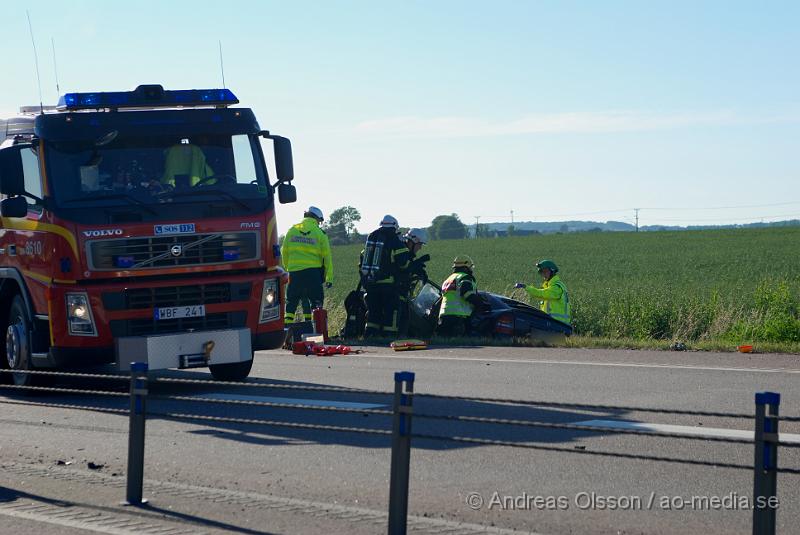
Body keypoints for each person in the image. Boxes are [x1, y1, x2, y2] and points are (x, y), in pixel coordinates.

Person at [281, 206, 333, 323]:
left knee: (291, 303)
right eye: (320, 221)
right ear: (316, 219)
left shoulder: (292, 230)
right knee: (316, 303)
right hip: (313, 274)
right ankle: (316, 330)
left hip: (295, 273)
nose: (320, 224)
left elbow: (284, 252)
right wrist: (329, 277)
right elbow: (327, 258)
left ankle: (288, 332)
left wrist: (289, 268)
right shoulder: (320, 233)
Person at [360, 215, 410, 337]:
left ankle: (370, 336)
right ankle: (389, 336)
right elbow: (403, 263)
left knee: (373, 312)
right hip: (388, 284)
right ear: (394, 226)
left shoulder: (372, 237)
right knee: (391, 310)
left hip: (370, 283)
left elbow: (363, 258)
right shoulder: (394, 239)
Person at [436, 255, 487, 337]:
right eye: (470, 267)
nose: (471, 270)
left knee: (446, 344)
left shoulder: (448, 280)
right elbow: (466, 293)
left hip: (444, 316)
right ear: (466, 267)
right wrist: (480, 303)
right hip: (459, 316)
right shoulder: (465, 277)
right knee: (460, 344)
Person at [514, 259, 571, 325]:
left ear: (552, 271)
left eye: (545, 271)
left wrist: (525, 287)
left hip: (558, 323)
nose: (543, 274)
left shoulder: (557, 287)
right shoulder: (550, 286)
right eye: (542, 272)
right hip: (551, 322)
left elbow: (540, 294)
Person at [397, 228, 429, 336]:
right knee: (403, 317)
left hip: (401, 294)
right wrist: (415, 267)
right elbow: (401, 270)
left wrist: (417, 268)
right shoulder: (401, 252)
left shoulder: (406, 253)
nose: (420, 247)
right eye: (420, 244)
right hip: (395, 294)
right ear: (413, 241)